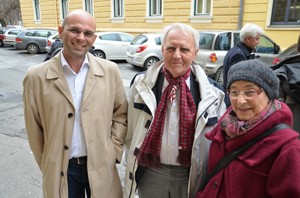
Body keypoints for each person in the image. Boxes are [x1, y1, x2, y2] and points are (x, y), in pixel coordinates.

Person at [23, 10, 128, 198]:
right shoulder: (36, 76)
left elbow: (121, 114)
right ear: (61, 31)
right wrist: (49, 162)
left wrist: (113, 150)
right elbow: (34, 129)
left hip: (101, 163)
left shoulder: (110, 71)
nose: (81, 38)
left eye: (87, 33)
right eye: (74, 31)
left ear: (94, 38)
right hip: (63, 168)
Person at [123, 23, 227, 198]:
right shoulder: (141, 85)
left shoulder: (214, 93)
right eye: (171, 48)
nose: (177, 55)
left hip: (191, 174)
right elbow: (131, 128)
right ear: (162, 49)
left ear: (195, 52)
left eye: (184, 49)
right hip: (151, 171)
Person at [197, 59, 300, 197]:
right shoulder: (223, 128)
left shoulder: (287, 148)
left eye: (249, 92)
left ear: (269, 95)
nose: (240, 100)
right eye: (234, 92)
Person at [222, 23, 264, 90]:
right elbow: (239, 82)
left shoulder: (238, 51)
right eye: (257, 39)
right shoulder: (238, 55)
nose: (258, 42)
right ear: (248, 39)